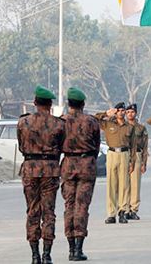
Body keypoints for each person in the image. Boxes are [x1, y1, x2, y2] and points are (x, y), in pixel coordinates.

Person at [17, 85, 66, 264]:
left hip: (30, 168)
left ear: (35, 103)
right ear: (50, 104)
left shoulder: (23, 122)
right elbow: (61, 146)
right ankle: (47, 254)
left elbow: (21, 146)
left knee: (32, 211)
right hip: (51, 169)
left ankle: (34, 254)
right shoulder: (59, 124)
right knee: (49, 212)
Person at [60, 87, 100, 261]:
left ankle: (70, 247)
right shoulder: (91, 122)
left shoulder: (61, 122)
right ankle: (78, 248)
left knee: (69, 205)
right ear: (83, 104)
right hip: (86, 165)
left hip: (68, 165)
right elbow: (97, 146)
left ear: (69, 103)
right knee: (82, 206)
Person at [95, 102, 134, 224]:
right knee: (111, 184)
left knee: (124, 185)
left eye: (123, 110)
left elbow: (133, 145)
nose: (121, 112)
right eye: (119, 110)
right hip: (112, 153)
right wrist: (106, 113)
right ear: (115, 112)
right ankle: (111, 213)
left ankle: (123, 211)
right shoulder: (108, 123)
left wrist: (132, 161)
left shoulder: (129, 127)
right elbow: (94, 119)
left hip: (124, 154)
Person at [126, 103, 149, 220]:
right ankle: (124, 209)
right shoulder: (122, 127)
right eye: (128, 112)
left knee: (135, 184)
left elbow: (145, 146)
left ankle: (133, 209)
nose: (130, 114)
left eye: (132, 112)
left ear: (136, 113)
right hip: (125, 155)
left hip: (138, 155)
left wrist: (144, 163)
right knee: (124, 185)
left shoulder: (141, 128)